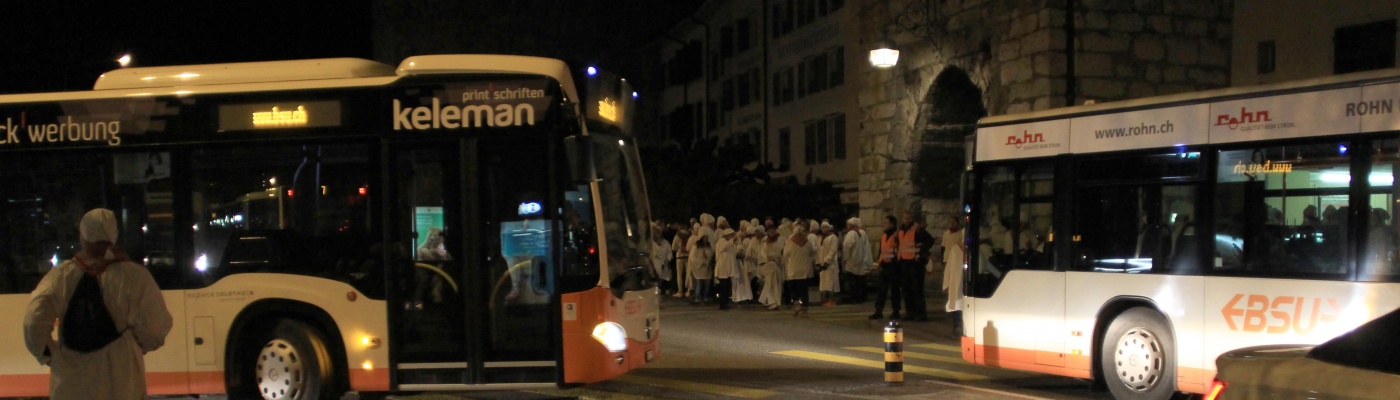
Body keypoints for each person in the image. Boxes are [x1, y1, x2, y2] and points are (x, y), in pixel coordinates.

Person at [24, 208, 173, 399]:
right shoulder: (135, 275)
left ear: (83, 236)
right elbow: (154, 327)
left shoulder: (60, 276)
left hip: (72, 380)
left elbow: (34, 321)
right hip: (122, 375)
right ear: (114, 236)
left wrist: (49, 355)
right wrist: (138, 347)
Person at [900, 211, 936, 322]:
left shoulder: (917, 229)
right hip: (905, 262)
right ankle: (910, 313)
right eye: (904, 218)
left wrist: (920, 253)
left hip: (916, 264)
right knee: (906, 289)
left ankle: (921, 314)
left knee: (917, 289)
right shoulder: (901, 230)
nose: (906, 220)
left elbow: (930, 240)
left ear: (911, 219)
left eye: (908, 218)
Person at [871, 215, 903, 320]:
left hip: (894, 266)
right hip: (885, 266)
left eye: (886, 223)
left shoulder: (897, 235)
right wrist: (878, 264)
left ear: (892, 224)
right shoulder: (884, 235)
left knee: (895, 291)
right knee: (881, 290)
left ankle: (896, 311)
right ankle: (878, 311)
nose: (884, 225)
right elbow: (882, 251)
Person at [782, 220, 816, 316]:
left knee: (793, 289)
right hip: (804, 271)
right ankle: (805, 310)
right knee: (804, 291)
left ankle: (797, 305)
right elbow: (812, 253)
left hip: (793, 270)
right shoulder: (807, 242)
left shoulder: (790, 242)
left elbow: (785, 254)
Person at [941, 215, 967, 334]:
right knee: (957, 303)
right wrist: (946, 284)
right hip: (957, 282)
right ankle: (957, 326)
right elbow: (949, 268)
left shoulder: (972, 250)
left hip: (966, 283)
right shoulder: (955, 250)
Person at [842, 217, 873, 304]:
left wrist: (845, 258)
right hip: (861, 260)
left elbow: (847, 246)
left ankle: (854, 298)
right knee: (860, 281)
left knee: (853, 281)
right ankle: (861, 297)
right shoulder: (863, 233)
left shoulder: (851, 233)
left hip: (852, 260)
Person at [756, 226, 785, 309]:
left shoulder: (780, 241)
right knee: (770, 284)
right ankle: (772, 302)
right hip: (768, 267)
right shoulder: (765, 243)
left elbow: (784, 253)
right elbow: (762, 256)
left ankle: (773, 302)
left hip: (778, 266)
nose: (771, 232)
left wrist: (776, 258)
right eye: (770, 231)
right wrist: (769, 259)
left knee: (775, 284)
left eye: (773, 230)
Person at [816, 221, 841, 307]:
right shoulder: (819, 238)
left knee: (831, 283)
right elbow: (818, 251)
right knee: (824, 283)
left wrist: (827, 261)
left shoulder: (833, 237)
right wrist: (818, 262)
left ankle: (832, 300)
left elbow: (833, 251)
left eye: (826, 227)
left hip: (830, 264)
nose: (824, 229)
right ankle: (824, 300)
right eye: (823, 227)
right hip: (822, 264)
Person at [650, 222, 673, 293]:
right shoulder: (650, 243)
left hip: (662, 263)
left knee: (662, 278)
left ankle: (661, 290)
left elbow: (670, 252)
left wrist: (667, 259)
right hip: (653, 263)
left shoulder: (665, 242)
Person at [671, 226, 692, 298]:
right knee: (688, 274)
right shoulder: (690, 235)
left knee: (679, 275)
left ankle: (680, 291)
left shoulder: (677, 236)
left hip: (679, 256)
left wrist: (678, 249)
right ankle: (688, 290)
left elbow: (673, 247)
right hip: (688, 256)